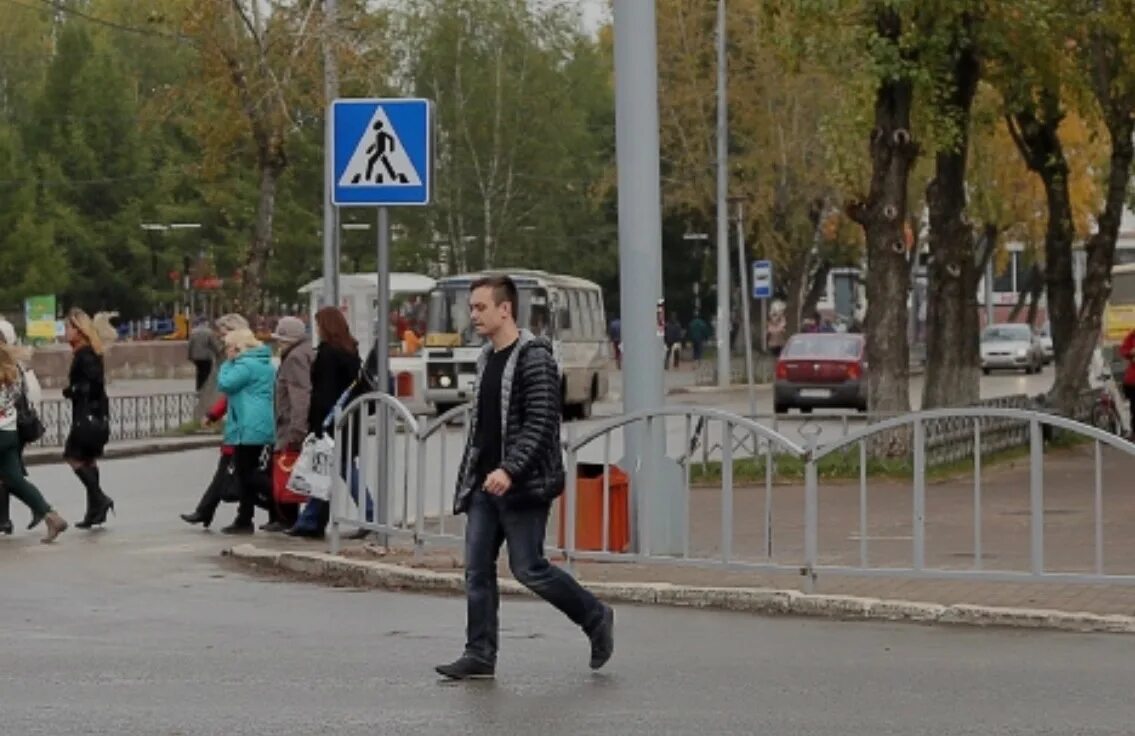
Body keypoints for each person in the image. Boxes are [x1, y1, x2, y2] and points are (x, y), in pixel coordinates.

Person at [435, 275, 614, 681]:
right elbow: (484, 428)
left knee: (528, 567)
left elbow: (540, 424)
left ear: (506, 309)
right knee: (477, 571)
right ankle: (479, 653)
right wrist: (477, 474)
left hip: (523, 485)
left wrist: (509, 469)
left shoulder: (535, 358)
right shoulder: (486, 360)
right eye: (472, 307)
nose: (473, 315)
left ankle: (596, 616)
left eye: (481, 307)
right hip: (486, 485)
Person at [285, 307, 362, 538]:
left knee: (334, 468)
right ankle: (309, 520)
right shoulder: (351, 351)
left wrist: (315, 423)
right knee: (326, 469)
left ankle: (369, 512)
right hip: (348, 418)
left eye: (318, 325)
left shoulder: (328, 354)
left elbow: (323, 393)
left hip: (329, 421)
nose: (316, 329)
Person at [179, 313, 249, 529]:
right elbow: (230, 396)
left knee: (241, 475)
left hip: (247, 427)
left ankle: (209, 512)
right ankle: (218, 514)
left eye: (224, 334)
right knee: (238, 473)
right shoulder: (238, 360)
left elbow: (230, 391)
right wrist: (212, 415)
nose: (221, 339)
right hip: (240, 426)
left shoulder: (244, 362)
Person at [0, 343, 68, 542]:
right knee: (14, 480)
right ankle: (50, 516)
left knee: (12, 480)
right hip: (11, 432)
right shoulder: (13, 371)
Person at [216, 328, 277, 535]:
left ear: (237, 347)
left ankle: (276, 497)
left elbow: (225, 384)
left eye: (228, 347)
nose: (226, 351)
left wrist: (226, 364)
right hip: (259, 420)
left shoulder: (244, 365)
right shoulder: (264, 363)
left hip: (248, 423)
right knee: (247, 470)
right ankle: (244, 517)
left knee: (246, 472)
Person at [63, 309, 116, 530]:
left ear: (79, 330)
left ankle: (101, 499)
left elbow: (91, 384)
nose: (65, 332)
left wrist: (72, 390)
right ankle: (94, 511)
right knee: (89, 460)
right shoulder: (91, 352)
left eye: (68, 328)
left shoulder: (85, 354)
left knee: (73, 457)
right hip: (96, 414)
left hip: (87, 415)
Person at [269, 316, 312, 530]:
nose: (278, 344)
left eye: (280, 339)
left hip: (290, 423)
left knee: (287, 468)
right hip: (294, 422)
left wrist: (297, 430)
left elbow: (299, 394)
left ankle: (288, 519)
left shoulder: (294, 358)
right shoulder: (305, 351)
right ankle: (291, 518)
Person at [188, 318, 218, 391]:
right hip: (206, 356)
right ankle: (205, 389)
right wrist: (217, 353)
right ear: (205, 322)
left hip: (196, 356)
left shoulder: (193, 332)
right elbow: (213, 344)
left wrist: (189, 356)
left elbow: (190, 345)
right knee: (207, 373)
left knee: (199, 372)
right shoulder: (209, 332)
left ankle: (198, 388)